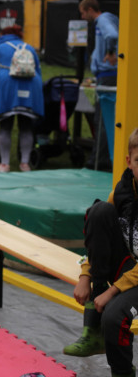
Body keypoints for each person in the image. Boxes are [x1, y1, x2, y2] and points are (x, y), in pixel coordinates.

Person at [63, 128, 138, 377]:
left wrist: (113, 291)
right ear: (129, 161)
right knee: (99, 211)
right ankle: (92, 331)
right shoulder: (122, 193)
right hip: (129, 267)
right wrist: (86, 275)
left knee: (114, 317)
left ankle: (123, 372)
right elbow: (99, 239)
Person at [0, 24, 44, 173]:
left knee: (5, 126)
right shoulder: (29, 48)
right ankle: (25, 163)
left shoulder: (0, 48)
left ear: (3, 34)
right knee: (26, 126)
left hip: (7, 88)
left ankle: (4, 164)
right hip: (30, 87)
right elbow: (38, 71)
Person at [80, 0, 119, 171]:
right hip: (107, 74)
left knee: (102, 118)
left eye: (83, 13)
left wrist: (110, 53)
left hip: (107, 75)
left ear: (90, 10)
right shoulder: (106, 20)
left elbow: (112, 35)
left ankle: (98, 161)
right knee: (105, 118)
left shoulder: (103, 20)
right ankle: (103, 158)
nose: (83, 17)